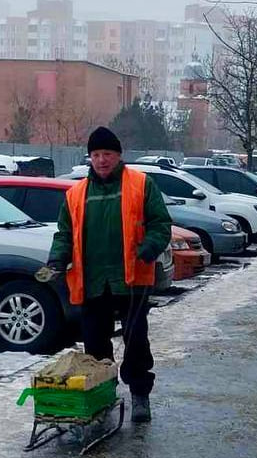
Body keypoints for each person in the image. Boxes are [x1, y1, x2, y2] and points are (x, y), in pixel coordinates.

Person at [47, 127, 173, 422]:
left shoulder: (141, 184)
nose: (102, 160)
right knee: (95, 345)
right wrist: (56, 260)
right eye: (96, 155)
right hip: (91, 281)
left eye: (108, 154)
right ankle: (103, 394)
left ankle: (140, 396)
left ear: (119, 156)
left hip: (131, 278)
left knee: (136, 341)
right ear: (90, 158)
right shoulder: (76, 194)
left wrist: (149, 248)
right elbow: (64, 234)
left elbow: (161, 224)